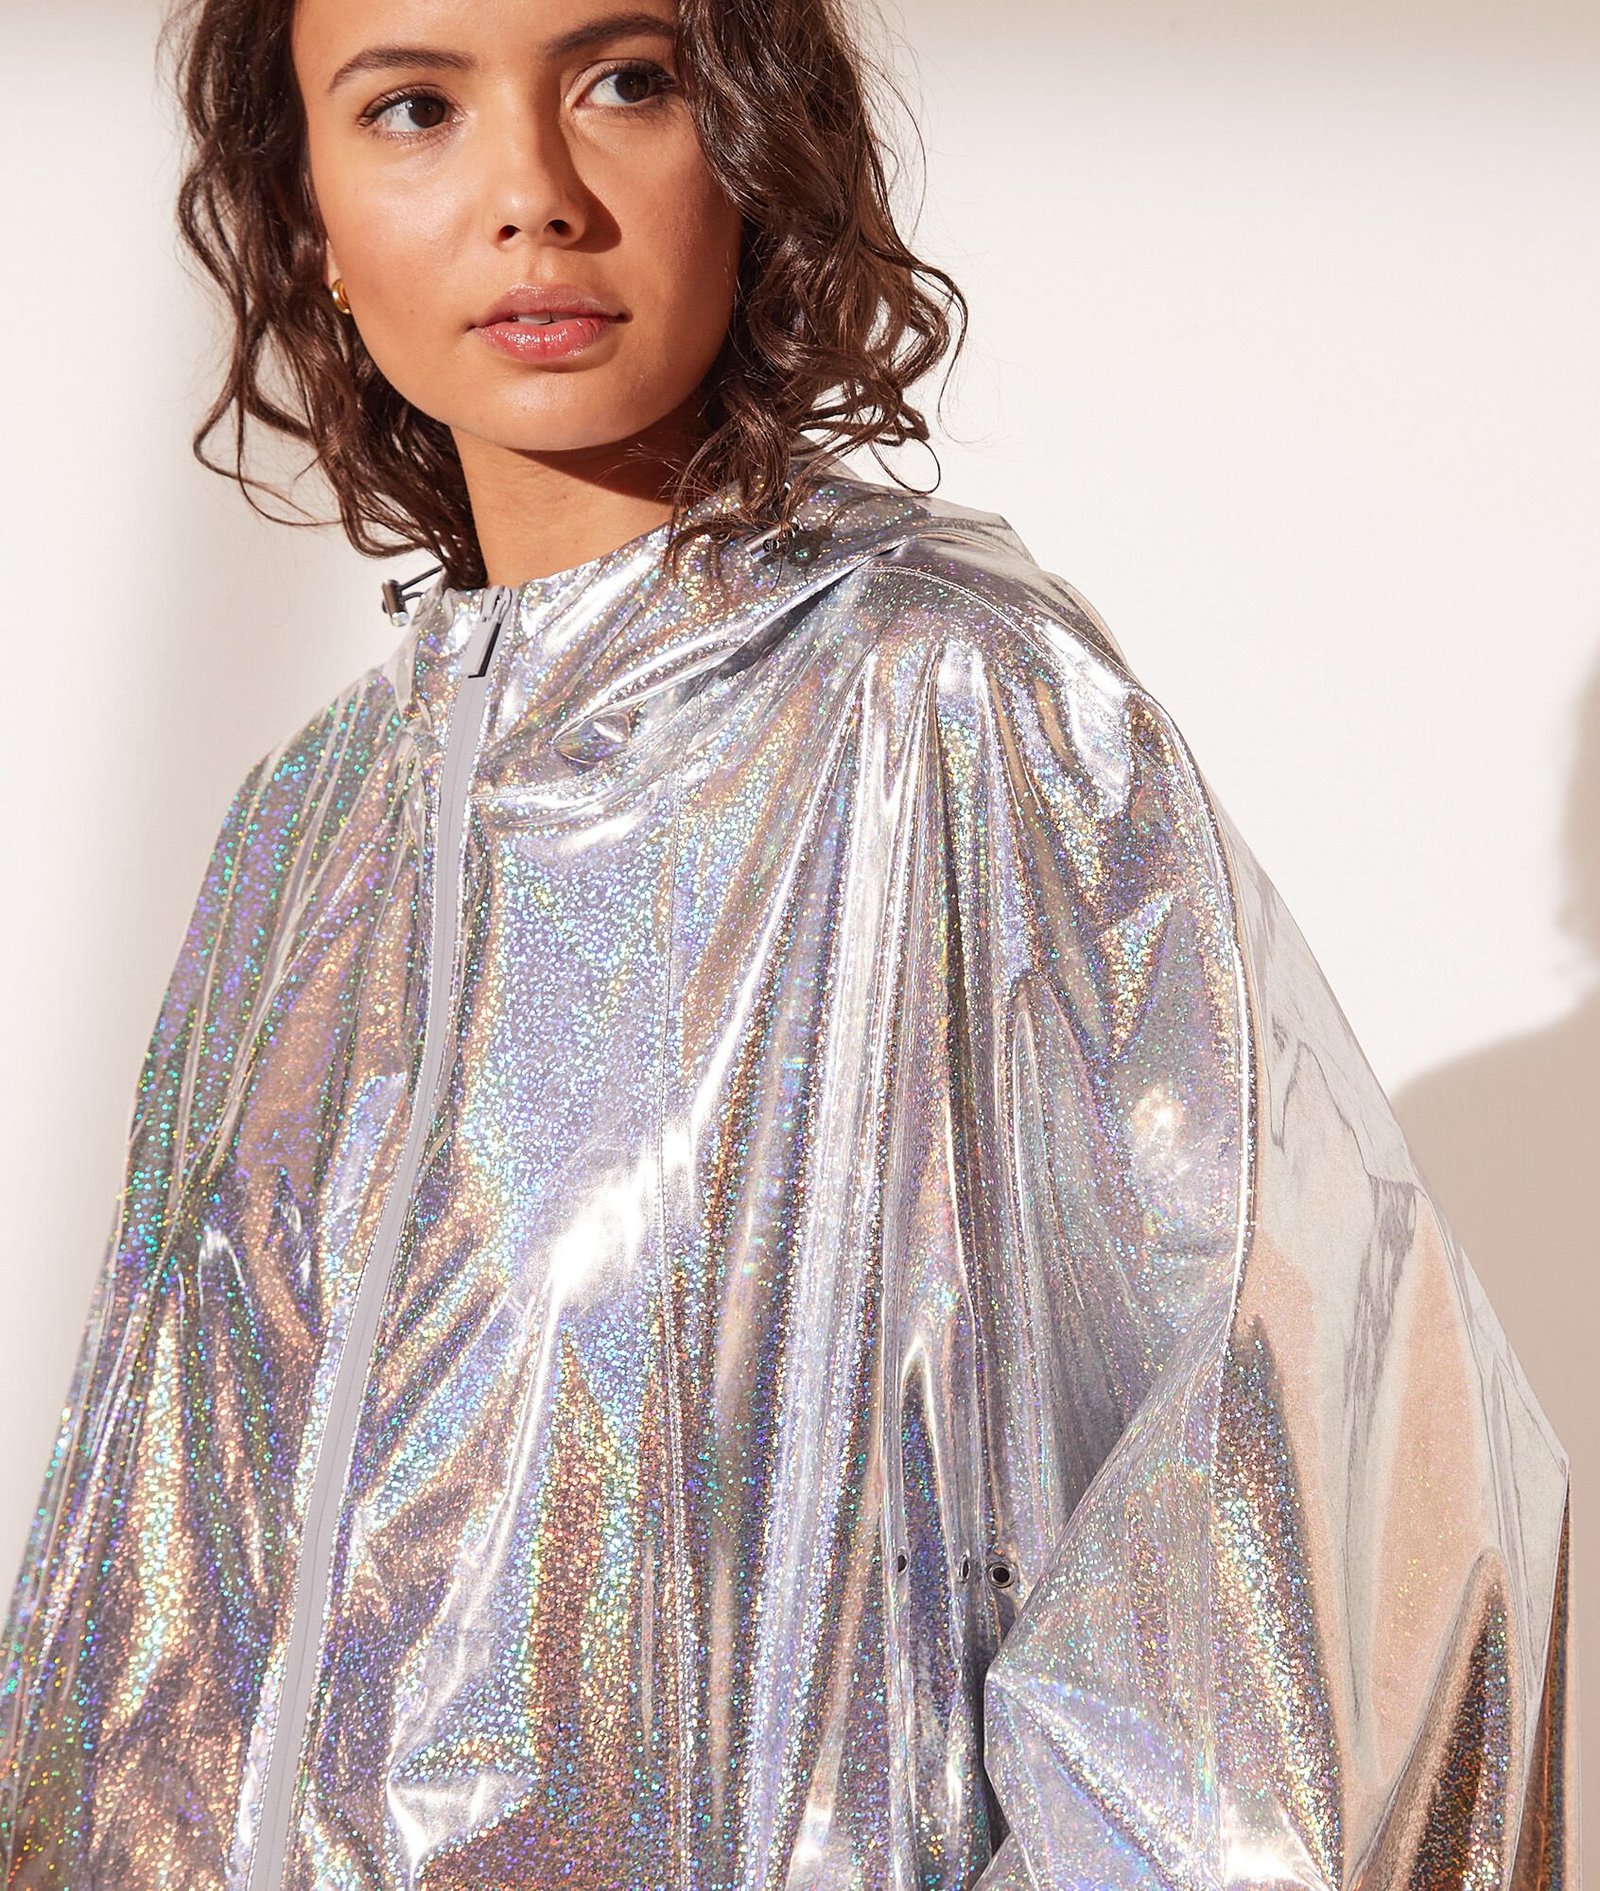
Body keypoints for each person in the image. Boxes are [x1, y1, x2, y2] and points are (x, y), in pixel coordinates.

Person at [0, 0, 1573, 1883]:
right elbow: (143, 1627)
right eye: (413, 108)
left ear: (749, 141)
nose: (532, 193)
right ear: (312, 217)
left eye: (627, 82)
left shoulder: (944, 715)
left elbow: (1297, 1573)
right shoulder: (299, 835)